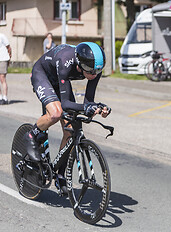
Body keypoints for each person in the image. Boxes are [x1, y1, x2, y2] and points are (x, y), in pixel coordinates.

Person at [25, 42, 111, 194]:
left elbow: (87, 101)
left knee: (71, 130)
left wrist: (97, 108)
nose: (94, 74)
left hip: (60, 81)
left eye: (98, 71)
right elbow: (65, 104)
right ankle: (31, 134)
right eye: (91, 71)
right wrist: (86, 108)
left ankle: (59, 173)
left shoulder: (94, 69)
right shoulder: (66, 60)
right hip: (42, 75)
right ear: (80, 64)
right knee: (56, 113)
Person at [0, 33, 11, 105]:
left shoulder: (2, 36)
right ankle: (0, 97)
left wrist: (9, 57)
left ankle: (5, 97)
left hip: (3, 59)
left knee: (2, 78)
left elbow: (9, 48)